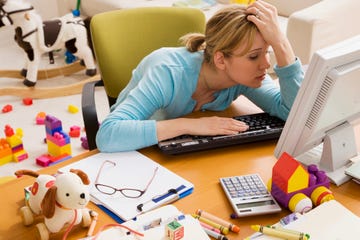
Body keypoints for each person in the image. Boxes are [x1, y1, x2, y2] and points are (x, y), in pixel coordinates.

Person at [96, 0, 304, 152]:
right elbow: (108, 135)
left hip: (179, 152)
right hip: (135, 151)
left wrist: (281, 44)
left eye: (267, 52)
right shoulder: (167, 72)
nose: (266, 65)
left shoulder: (242, 78)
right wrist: (191, 125)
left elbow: (295, 114)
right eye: (253, 56)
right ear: (221, 60)